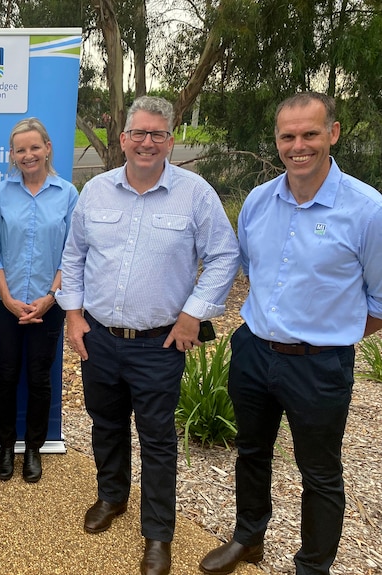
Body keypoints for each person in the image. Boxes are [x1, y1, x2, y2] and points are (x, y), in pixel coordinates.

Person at [199, 92, 382, 575]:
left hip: (320, 365)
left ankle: (312, 567)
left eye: (310, 134)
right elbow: (241, 270)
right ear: (277, 140)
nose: (298, 146)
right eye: (288, 136)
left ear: (333, 134)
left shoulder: (368, 210)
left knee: (320, 475)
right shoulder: (260, 201)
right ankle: (248, 539)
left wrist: (331, 336)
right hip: (255, 352)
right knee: (251, 452)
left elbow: (381, 301)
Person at [57, 95, 239, 575]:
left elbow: (224, 256)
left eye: (157, 134)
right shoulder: (94, 191)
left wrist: (191, 316)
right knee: (106, 425)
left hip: (159, 344)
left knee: (157, 440)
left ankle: (158, 535)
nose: (147, 142)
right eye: (138, 133)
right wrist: (73, 317)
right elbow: (73, 257)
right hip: (99, 337)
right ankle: (111, 497)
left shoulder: (195, 194)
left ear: (170, 140)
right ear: (122, 139)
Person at [0, 118, 78, 484]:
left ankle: (34, 449)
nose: (28, 155)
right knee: (6, 375)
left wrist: (51, 297)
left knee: (39, 378)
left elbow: (72, 254)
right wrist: (7, 297)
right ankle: (6, 446)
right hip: (1, 301)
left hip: (48, 304)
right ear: (12, 155)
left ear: (48, 147)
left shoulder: (68, 194)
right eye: (20, 150)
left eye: (34, 147)